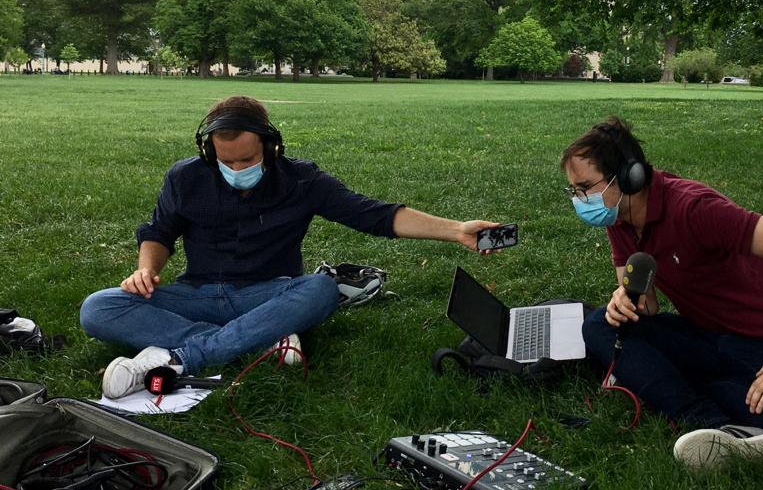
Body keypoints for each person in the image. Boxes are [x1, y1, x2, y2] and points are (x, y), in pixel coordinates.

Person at [81, 96, 498, 400]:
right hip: (197, 293)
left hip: (272, 292)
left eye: (246, 160)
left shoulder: (302, 180)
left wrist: (456, 229)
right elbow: (160, 231)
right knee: (98, 307)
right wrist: (146, 269)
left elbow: (374, 214)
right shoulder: (184, 177)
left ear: (270, 145)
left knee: (319, 289)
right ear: (209, 151)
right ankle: (259, 340)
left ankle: (178, 357)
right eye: (226, 162)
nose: (237, 170)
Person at [561, 117, 763, 468]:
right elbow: (648, 303)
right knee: (599, 325)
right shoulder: (619, 217)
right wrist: (622, 300)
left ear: (629, 177)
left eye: (586, 188)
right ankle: (711, 425)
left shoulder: (694, 208)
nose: (580, 201)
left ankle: (671, 386)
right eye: (574, 192)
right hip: (706, 334)